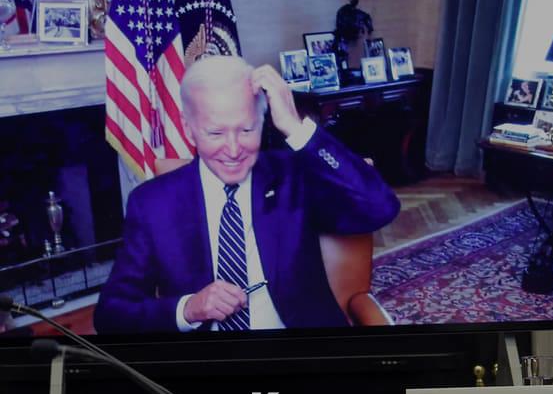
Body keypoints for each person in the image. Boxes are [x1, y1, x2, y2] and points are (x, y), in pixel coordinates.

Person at [93, 56, 399, 333]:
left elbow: (379, 207)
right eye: (216, 133)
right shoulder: (151, 203)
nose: (233, 149)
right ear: (189, 128)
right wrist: (187, 309)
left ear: (263, 123)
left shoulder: (295, 175)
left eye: (246, 130)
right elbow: (111, 314)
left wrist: (296, 128)